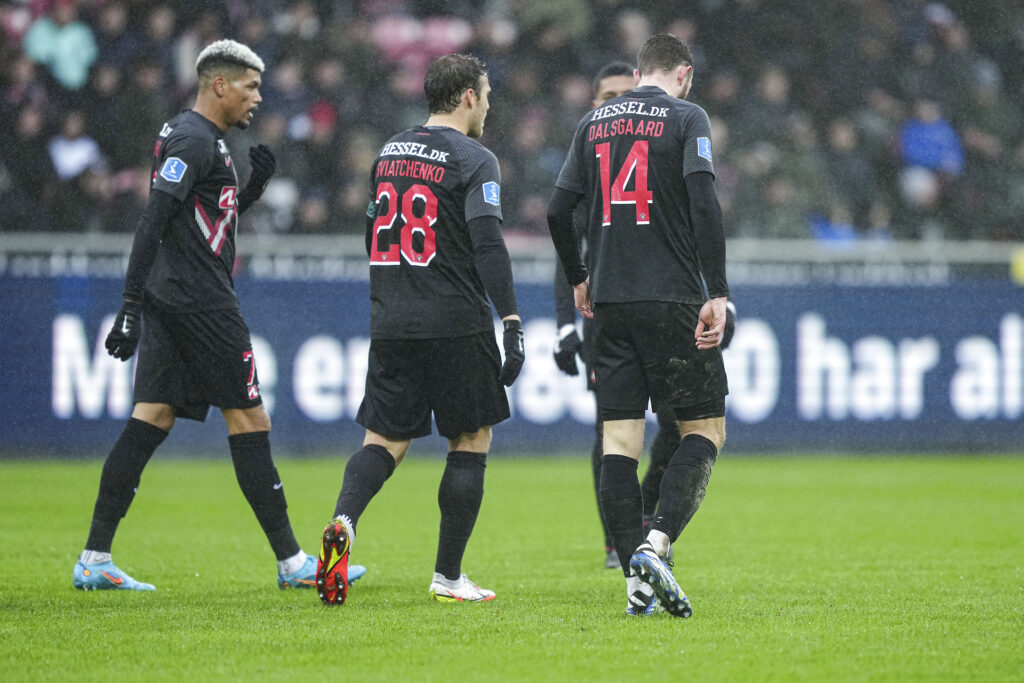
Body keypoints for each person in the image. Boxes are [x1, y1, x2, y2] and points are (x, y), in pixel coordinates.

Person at [72, 39, 365, 592]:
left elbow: (202, 220)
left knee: (150, 419)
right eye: (251, 87)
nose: (259, 97)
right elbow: (152, 221)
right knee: (251, 419)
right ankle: (292, 563)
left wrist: (250, 189)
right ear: (220, 85)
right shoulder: (192, 138)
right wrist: (128, 306)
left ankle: (93, 558)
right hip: (200, 302)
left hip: (177, 296)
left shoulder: (205, 139)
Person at [315, 53, 524, 607]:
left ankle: (343, 521)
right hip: (455, 320)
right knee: (471, 437)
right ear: (467, 97)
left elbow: (370, 232)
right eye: (486, 93)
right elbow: (487, 243)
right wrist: (510, 318)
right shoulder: (475, 158)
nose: (488, 104)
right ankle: (448, 576)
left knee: (384, 440)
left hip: (393, 319)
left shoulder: (390, 151)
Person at [548, 35, 729, 618]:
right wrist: (717, 292)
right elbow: (704, 204)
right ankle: (656, 544)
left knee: (618, 442)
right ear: (683, 73)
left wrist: (578, 276)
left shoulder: (594, 122)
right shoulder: (687, 116)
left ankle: (634, 582)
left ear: (637, 71)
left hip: (609, 304)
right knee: (705, 430)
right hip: (671, 298)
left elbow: (557, 211)